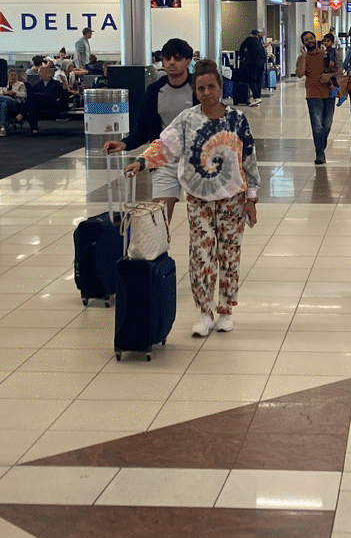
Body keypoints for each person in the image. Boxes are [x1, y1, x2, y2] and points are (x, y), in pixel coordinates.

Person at [126, 59, 258, 337]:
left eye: (211, 86)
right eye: (201, 88)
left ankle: (226, 309)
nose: (206, 92)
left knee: (229, 254)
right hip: (199, 198)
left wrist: (252, 198)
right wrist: (142, 160)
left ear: (221, 88)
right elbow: (165, 146)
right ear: (195, 92)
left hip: (233, 197)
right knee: (201, 255)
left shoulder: (237, 119)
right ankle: (205, 311)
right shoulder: (187, 119)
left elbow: (248, 159)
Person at [105, 38, 197, 217]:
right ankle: (161, 245)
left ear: (188, 61)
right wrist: (125, 144)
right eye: (167, 58)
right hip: (164, 159)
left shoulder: (198, 89)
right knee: (159, 218)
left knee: (200, 219)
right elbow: (143, 127)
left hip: (196, 160)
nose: (171, 62)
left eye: (177, 58)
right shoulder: (155, 90)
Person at [295, 31, 338, 165]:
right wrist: (304, 56)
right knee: (317, 126)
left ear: (315, 39)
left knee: (327, 125)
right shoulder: (302, 58)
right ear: (303, 43)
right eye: (306, 40)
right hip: (313, 94)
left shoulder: (325, 54)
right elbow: (300, 74)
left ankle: (321, 148)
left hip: (329, 93)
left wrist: (329, 76)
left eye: (311, 38)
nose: (310, 41)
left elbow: (339, 71)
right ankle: (320, 153)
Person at [238, 29, 268, 106]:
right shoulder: (259, 41)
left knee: (251, 80)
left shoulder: (249, 39)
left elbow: (241, 47)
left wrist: (242, 58)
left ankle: (256, 97)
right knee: (259, 80)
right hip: (262, 63)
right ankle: (257, 98)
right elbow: (263, 52)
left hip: (253, 62)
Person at [0, 67, 27, 135]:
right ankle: (3, 127)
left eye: (15, 75)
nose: (13, 77)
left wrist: (14, 93)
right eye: (11, 75)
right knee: (3, 104)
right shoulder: (3, 84)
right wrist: (5, 93)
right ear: (8, 76)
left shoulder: (20, 84)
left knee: (0, 98)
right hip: (5, 103)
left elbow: (24, 95)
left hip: (15, 103)